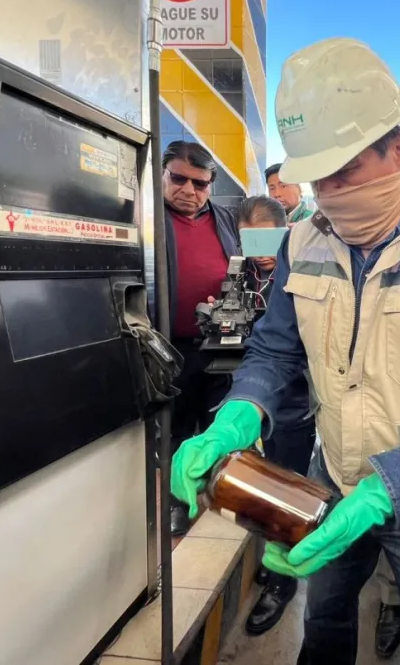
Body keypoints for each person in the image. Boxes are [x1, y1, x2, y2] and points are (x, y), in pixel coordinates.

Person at [170, 37, 400, 665]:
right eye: (317, 177)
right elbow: (276, 350)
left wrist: (391, 488)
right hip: (333, 477)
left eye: (346, 171)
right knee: (325, 625)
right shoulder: (302, 239)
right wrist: (240, 413)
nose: (330, 194)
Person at [236, 195, 318, 636]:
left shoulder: (302, 271)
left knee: (288, 488)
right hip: (248, 397)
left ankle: (283, 580)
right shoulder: (240, 274)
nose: (262, 250)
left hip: (293, 404)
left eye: (270, 238)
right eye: (253, 240)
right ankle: (265, 553)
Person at [161, 140, 240, 536]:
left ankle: (220, 497)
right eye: (179, 178)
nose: (188, 190)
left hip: (221, 348)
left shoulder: (225, 219)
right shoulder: (145, 218)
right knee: (175, 428)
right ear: (163, 174)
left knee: (219, 425)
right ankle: (179, 501)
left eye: (200, 183)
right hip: (169, 349)